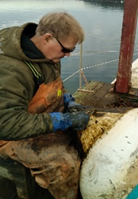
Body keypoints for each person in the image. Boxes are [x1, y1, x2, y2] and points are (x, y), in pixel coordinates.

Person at [0, 12, 90, 199]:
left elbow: (54, 85)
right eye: (65, 50)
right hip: (9, 137)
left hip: (39, 119)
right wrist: (62, 121)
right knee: (65, 164)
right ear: (47, 38)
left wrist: (67, 100)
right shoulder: (11, 69)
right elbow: (6, 124)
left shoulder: (46, 55)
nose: (68, 55)